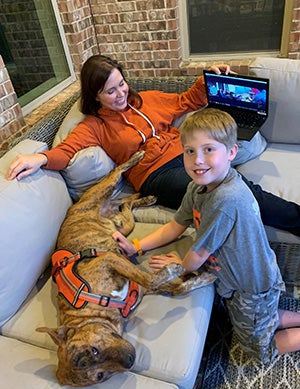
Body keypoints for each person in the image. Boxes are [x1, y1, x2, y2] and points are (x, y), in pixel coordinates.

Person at [7, 55, 300, 236]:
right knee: (222, 192)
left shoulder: (148, 99)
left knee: (236, 184)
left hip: (185, 155)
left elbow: (187, 101)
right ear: (95, 95)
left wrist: (209, 78)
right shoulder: (95, 126)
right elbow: (66, 151)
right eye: (110, 90)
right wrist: (41, 159)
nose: (121, 93)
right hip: (156, 175)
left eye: (121, 83)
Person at [113, 108, 300, 363]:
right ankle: (269, 317)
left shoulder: (226, 199)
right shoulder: (197, 187)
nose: (198, 160)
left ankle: (268, 320)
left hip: (251, 287)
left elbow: (198, 255)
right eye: (190, 151)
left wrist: (178, 267)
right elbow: (176, 225)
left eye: (208, 149)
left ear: (232, 152)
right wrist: (137, 246)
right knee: (261, 318)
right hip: (237, 284)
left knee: (259, 352)